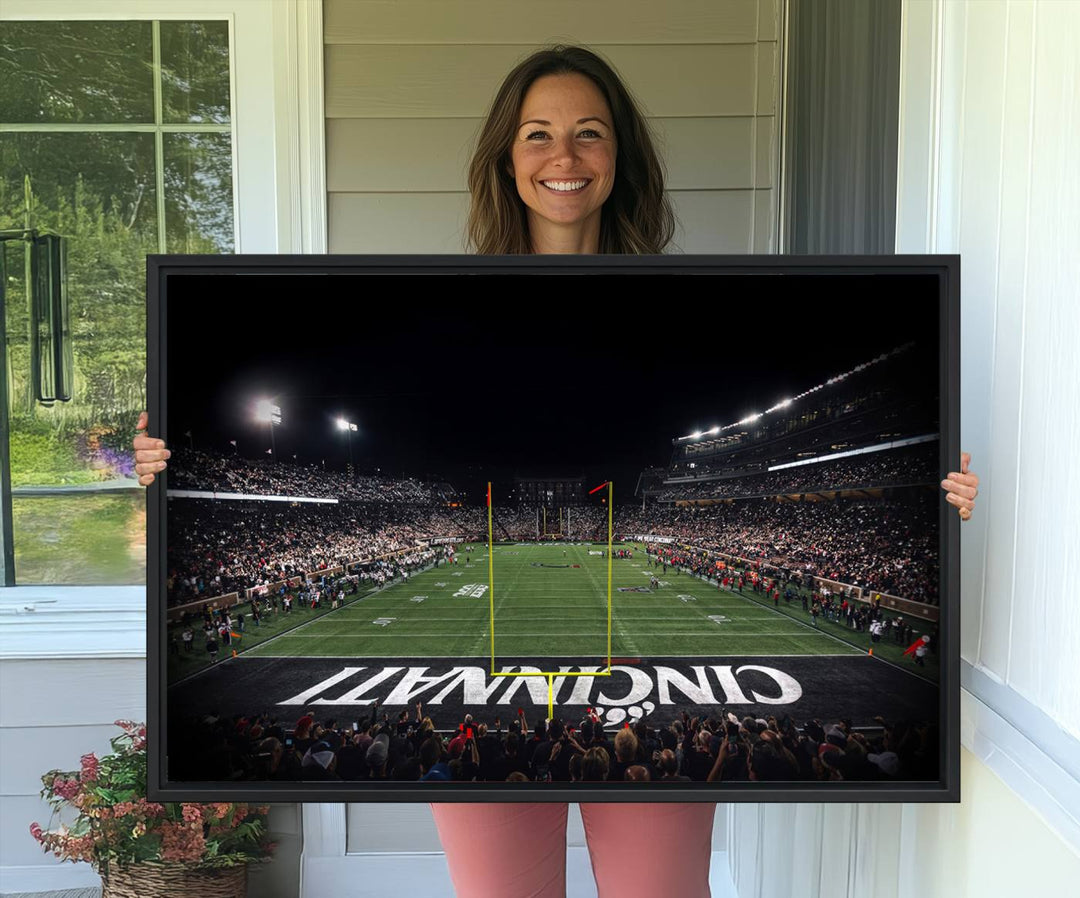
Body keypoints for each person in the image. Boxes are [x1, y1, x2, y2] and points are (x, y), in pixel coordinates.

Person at [134, 43, 981, 898]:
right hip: (488, 714)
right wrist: (164, 477)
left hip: (646, 711)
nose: (563, 157)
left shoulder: (681, 303)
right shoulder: (447, 308)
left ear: (621, 157)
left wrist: (933, 503)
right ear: (506, 157)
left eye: (589, 133)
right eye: (537, 134)